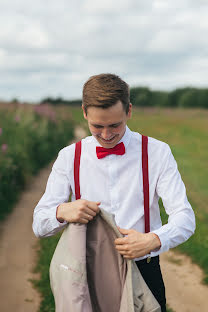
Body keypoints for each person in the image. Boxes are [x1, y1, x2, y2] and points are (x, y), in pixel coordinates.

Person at [33, 73, 196, 312]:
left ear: (129, 111)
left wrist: (153, 240)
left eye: (115, 125)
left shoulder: (157, 152)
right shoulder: (69, 157)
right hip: (88, 271)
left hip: (144, 269)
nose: (107, 135)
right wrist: (61, 211)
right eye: (97, 126)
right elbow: (39, 224)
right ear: (84, 113)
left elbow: (185, 217)